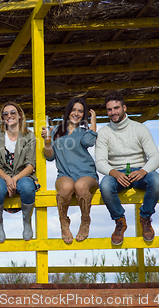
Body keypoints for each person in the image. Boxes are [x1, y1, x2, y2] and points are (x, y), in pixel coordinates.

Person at [95, 92, 159, 245]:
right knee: (105, 185)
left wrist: (143, 171)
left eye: (116, 108)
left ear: (124, 107)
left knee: (157, 181)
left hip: (140, 171)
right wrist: (115, 173)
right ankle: (120, 221)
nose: (113, 112)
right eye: (109, 110)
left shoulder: (140, 129)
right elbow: (99, 162)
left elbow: (156, 158)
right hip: (116, 173)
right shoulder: (104, 132)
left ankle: (145, 217)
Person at [42, 97, 98, 244]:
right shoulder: (55, 130)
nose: (76, 113)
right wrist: (47, 142)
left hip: (86, 174)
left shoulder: (84, 132)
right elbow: (50, 156)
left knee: (80, 186)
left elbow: (88, 142)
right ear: (68, 111)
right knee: (66, 187)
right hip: (65, 174)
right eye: (74, 110)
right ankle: (64, 224)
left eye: (80, 111)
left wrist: (93, 123)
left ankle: (85, 221)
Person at [0, 101, 37, 242]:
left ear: (20, 115)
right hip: (3, 176)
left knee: (28, 187)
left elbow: (31, 165)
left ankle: (27, 222)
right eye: (5, 114)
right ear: (2, 117)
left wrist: (15, 179)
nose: (9, 116)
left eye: (13, 113)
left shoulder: (29, 137)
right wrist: (7, 179)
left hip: (23, 175)